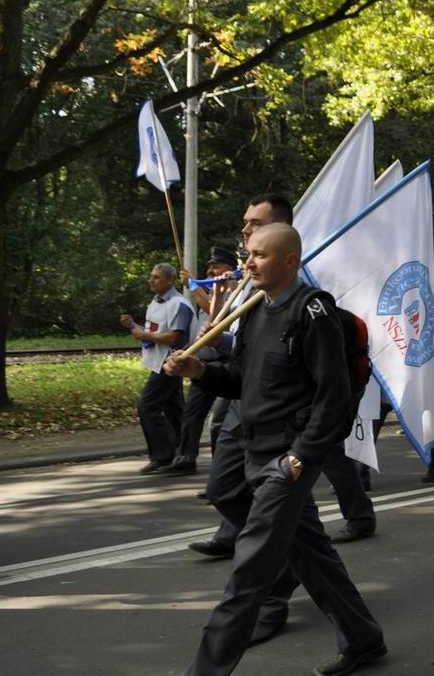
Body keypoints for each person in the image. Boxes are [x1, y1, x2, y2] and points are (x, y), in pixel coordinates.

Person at [165, 224, 386, 676]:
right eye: (248, 254)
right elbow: (242, 381)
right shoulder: (254, 311)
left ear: (289, 261)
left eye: (259, 255)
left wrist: (300, 458)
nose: (248, 263)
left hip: (286, 461)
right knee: (311, 554)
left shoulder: (313, 311)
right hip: (255, 450)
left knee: (249, 568)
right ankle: (364, 640)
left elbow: (334, 396)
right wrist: (200, 373)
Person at [162, 247, 238, 474]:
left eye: (216, 266)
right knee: (192, 412)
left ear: (229, 268)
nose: (211, 271)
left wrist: (195, 287)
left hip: (226, 364)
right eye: (209, 267)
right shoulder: (212, 291)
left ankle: (222, 469)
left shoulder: (236, 290)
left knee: (220, 421)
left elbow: (219, 319)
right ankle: (185, 458)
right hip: (204, 363)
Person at [121, 263, 193, 474]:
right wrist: (133, 326)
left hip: (171, 362)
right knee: (174, 409)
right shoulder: (156, 302)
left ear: (170, 281)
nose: (151, 280)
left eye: (157, 277)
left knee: (147, 405)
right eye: (151, 276)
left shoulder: (178, 304)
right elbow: (154, 331)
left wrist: (143, 334)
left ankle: (163, 455)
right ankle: (184, 455)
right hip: (159, 361)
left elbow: (173, 336)